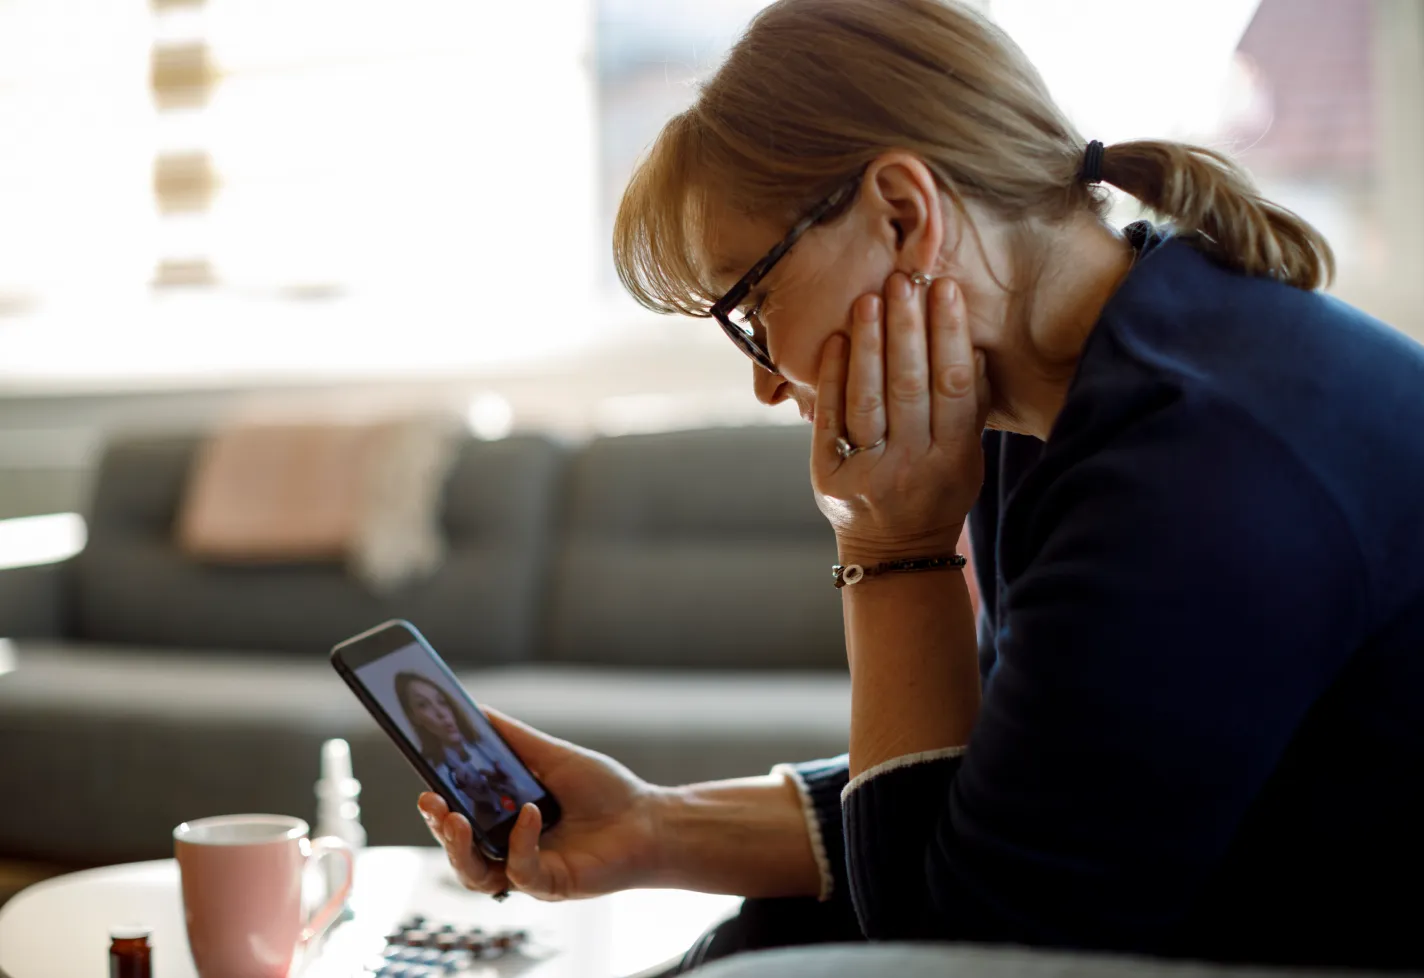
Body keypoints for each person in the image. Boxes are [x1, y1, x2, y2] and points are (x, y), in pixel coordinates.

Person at [419, 0, 1424, 971]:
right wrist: (651, 825)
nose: (767, 383)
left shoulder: (1193, 465)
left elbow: (948, 952)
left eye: (751, 308)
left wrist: (888, 549)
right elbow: (1010, 796)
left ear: (903, 215)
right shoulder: (1061, 401)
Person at [393, 671, 525, 827]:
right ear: (414, 717)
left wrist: (516, 794)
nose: (441, 713)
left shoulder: (488, 745)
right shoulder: (438, 773)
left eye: (441, 701)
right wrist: (483, 807)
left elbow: (529, 798)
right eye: (423, 705)